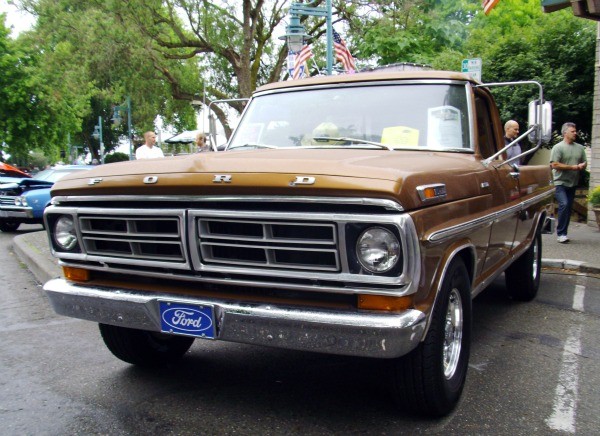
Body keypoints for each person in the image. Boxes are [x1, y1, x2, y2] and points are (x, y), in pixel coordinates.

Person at [550, 122, 587, 243]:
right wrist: (573, 167)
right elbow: (554, 164)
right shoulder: (558, 147)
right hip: (559, 182)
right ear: (565, 133)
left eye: (575, 131)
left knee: (568, 207)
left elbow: (584, 162)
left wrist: (582, 166)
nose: (575, 133)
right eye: (572, 131)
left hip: (573, 182)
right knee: (564, 204)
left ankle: (564, 234)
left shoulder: (580, 148)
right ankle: (560, 233)